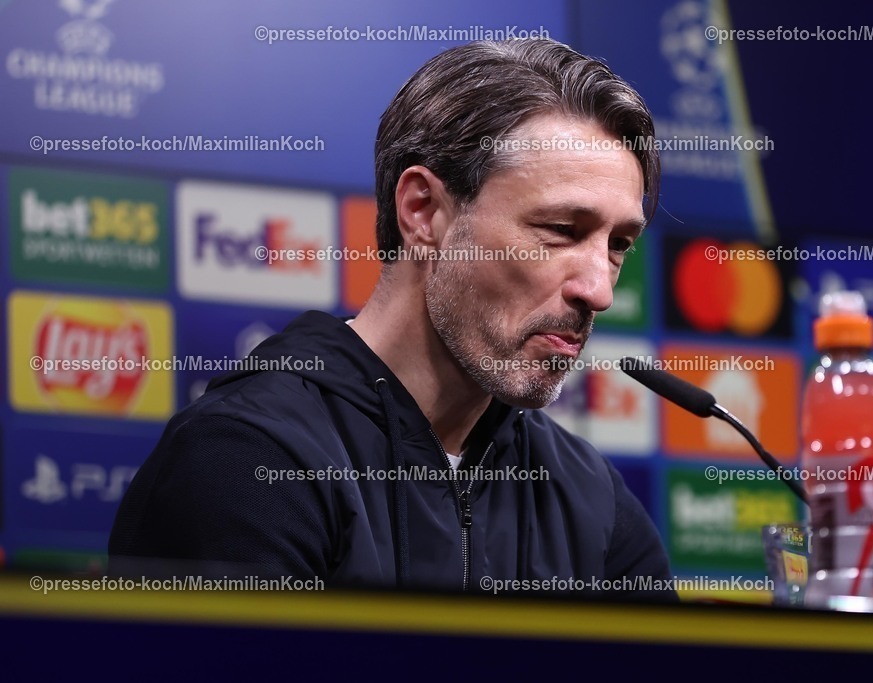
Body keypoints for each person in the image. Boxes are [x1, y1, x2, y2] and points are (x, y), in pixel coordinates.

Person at [109, 37, 675, 599]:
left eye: (618, 244)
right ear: (423, 212)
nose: (599, 289)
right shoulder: (245, 461)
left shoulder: (591, 500)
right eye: (560, 231)